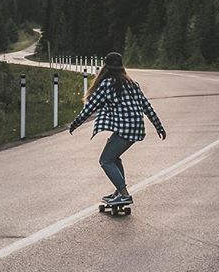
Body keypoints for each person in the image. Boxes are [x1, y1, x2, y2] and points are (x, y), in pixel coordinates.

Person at [68, 51, 166, 207]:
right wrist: (158, 126)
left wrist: (75, 123)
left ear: (106, 68)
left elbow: (90, 107)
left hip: (125, 130)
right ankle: (119, 192)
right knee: (114, 157)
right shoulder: (132, 84)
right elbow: (147, 106)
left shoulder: (107, 85)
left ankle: (124, 194)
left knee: (105, 160)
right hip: (137, 129)